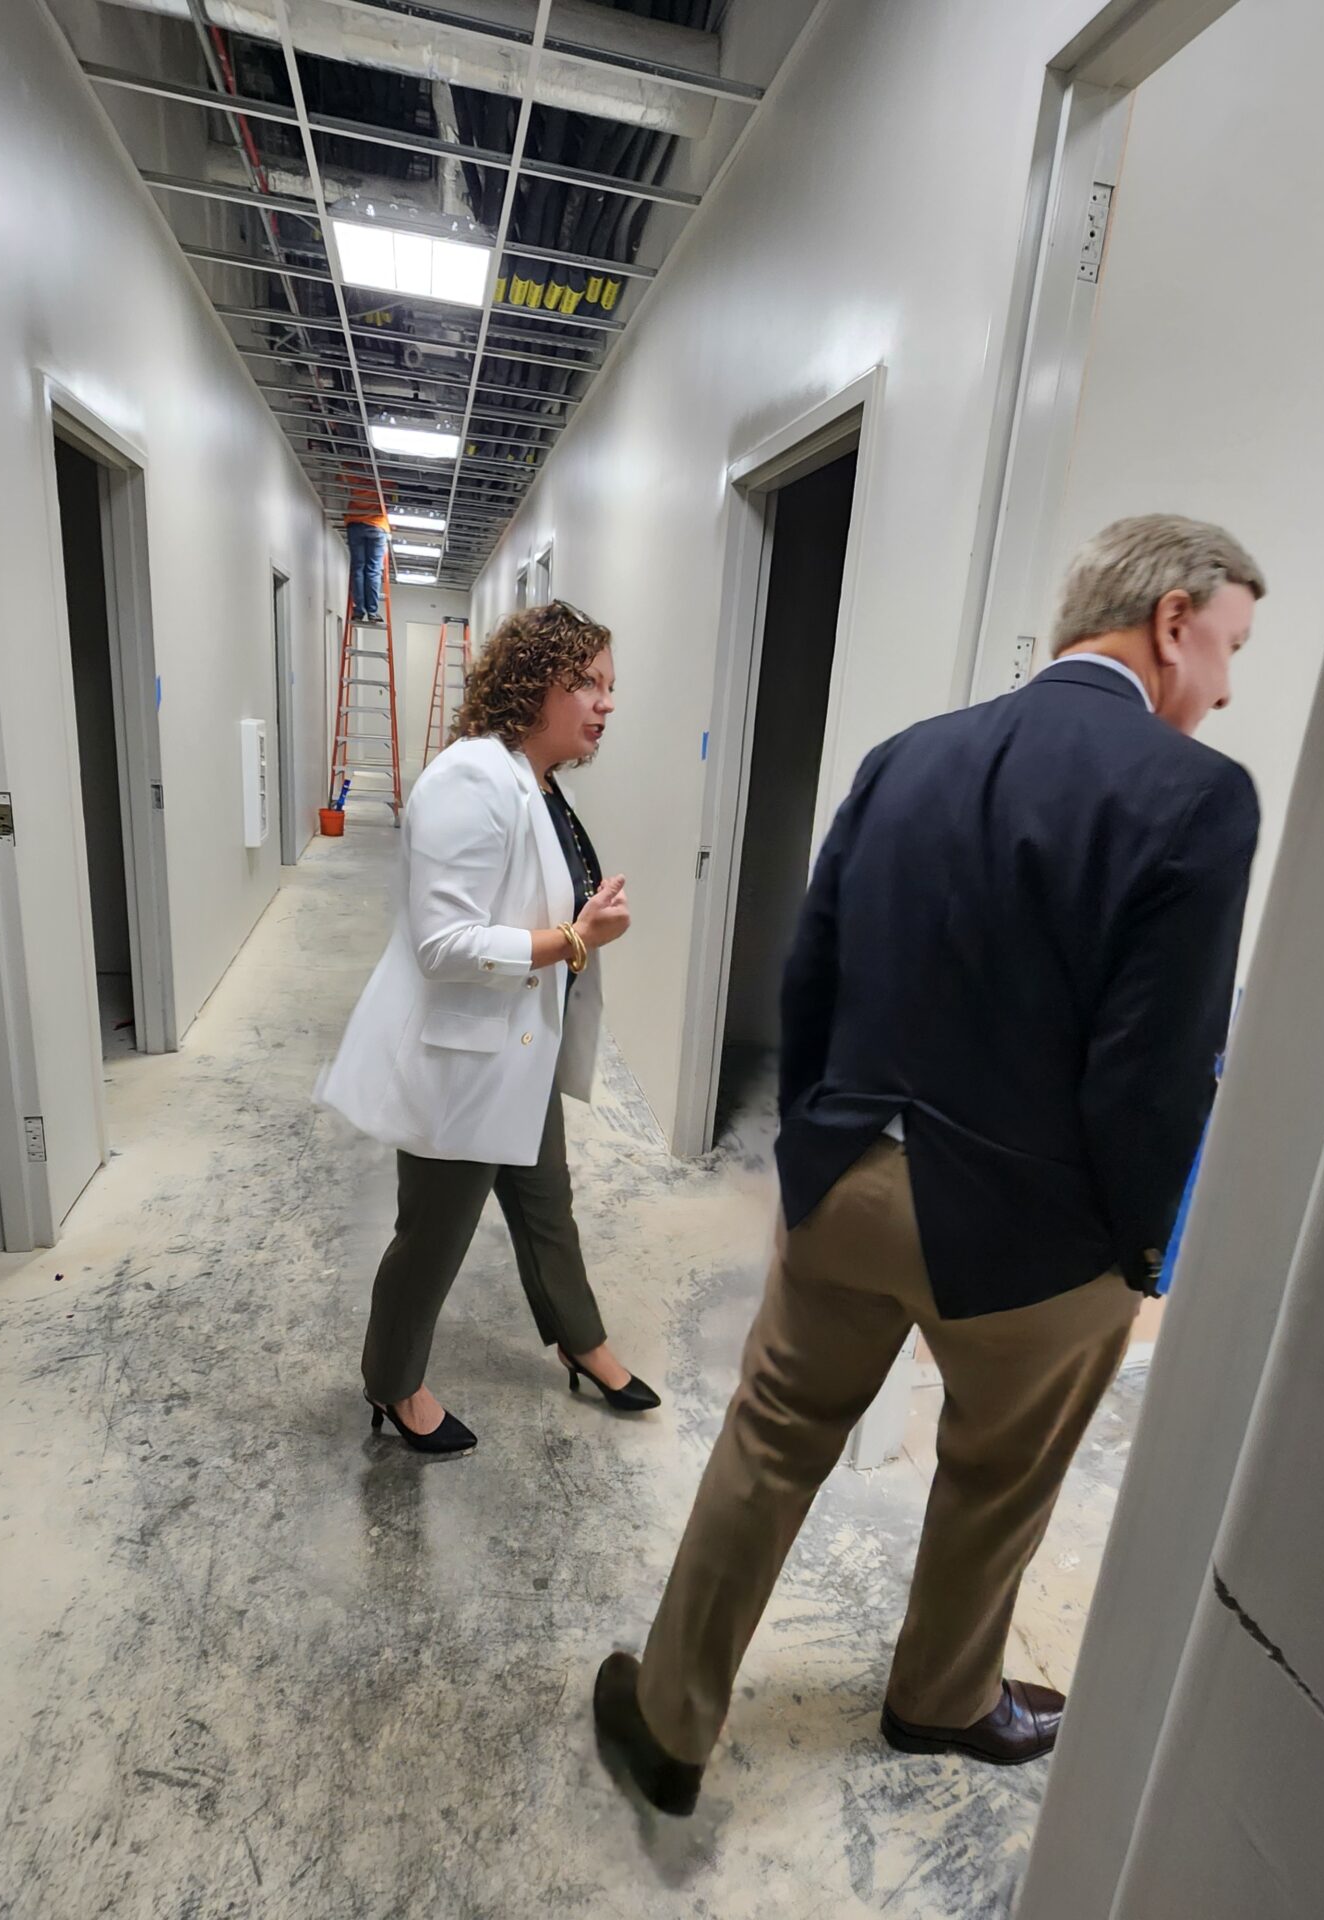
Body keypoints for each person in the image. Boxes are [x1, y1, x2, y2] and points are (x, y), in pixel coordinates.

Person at [594, 514, 1264, 1814]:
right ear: (1172, 620)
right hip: (1037, 1234)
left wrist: (811, 1162)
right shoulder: (1199, 796)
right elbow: (1154, 1067)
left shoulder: (908, 756)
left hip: (848, 1185)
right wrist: (1138, 1254)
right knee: (999, 1479)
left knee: (770, 1440)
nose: (1228, 687)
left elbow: (813, 974)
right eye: (1229, 647)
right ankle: (944, 1700)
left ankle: (671, 1725)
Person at [317, 600, 660, 1456]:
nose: (606, 702)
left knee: (548, 1212)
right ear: (535, 683)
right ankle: (393, 1382)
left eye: (610, 684)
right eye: (588, 682)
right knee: (432, 1239)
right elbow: (443, 945)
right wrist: (575, 938)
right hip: (464, 1061)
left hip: (521, 1050)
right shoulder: (470, 778)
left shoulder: (539, 782)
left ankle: (582, 1342)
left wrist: (577, 925)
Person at [340, 464, 389, 624]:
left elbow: (340, 477)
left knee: (358, 569)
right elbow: (393, 489)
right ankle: (372, 612)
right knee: (373, 570)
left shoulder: (353, 475)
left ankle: (359, 610)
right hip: (377, 525)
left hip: (355, 524)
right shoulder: (383, 477)